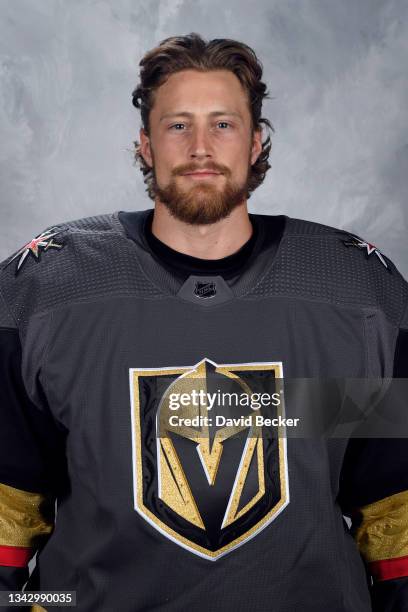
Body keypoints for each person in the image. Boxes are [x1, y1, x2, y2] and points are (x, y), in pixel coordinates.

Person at [0, 32, 407, 612]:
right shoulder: (47, 288)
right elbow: (7, 517)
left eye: (222, 124)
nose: (199, 147)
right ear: (145, 144)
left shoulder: (356, 293)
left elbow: (396, 509)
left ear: (256, 142)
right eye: (176, 125)